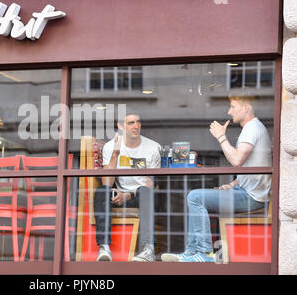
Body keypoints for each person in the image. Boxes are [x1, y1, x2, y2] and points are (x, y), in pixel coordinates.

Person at [161, 95, 272, 262]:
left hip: (252, 198)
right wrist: (232, 184)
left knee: (195, 197)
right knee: (196, 198)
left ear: (246, 108)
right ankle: (191, 252)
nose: (229, 111)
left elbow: (236, 160)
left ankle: (204, 253)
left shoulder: (252, 128)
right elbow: (250, 167)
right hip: (248, 192)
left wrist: (221, 137)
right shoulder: (254, 128)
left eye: (233, 106)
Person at [94, 113, 161, 262]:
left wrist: (129, 194)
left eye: (138, 122)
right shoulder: (110, 146)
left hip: (141, 194)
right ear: (120, 126)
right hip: (119, 194)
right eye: (131, 123)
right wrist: (115, 154)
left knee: (145, 192)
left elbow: (151, 184)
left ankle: (148, 249)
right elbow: (107, 183)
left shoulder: (153, 147)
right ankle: (104, 248)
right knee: (101, 191)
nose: (136, 126)